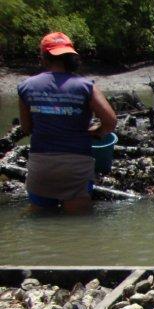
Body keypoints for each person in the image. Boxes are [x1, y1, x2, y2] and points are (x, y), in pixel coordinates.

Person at [17, 32, 117, 211]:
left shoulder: (26, 86)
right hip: (76, 165)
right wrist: (96, 132)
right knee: (78, 223)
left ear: (43, 56)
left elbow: (26, 127)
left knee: (39, 220)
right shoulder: (86, 86)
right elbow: (110, 121)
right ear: (70, 57)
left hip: (42, 165)